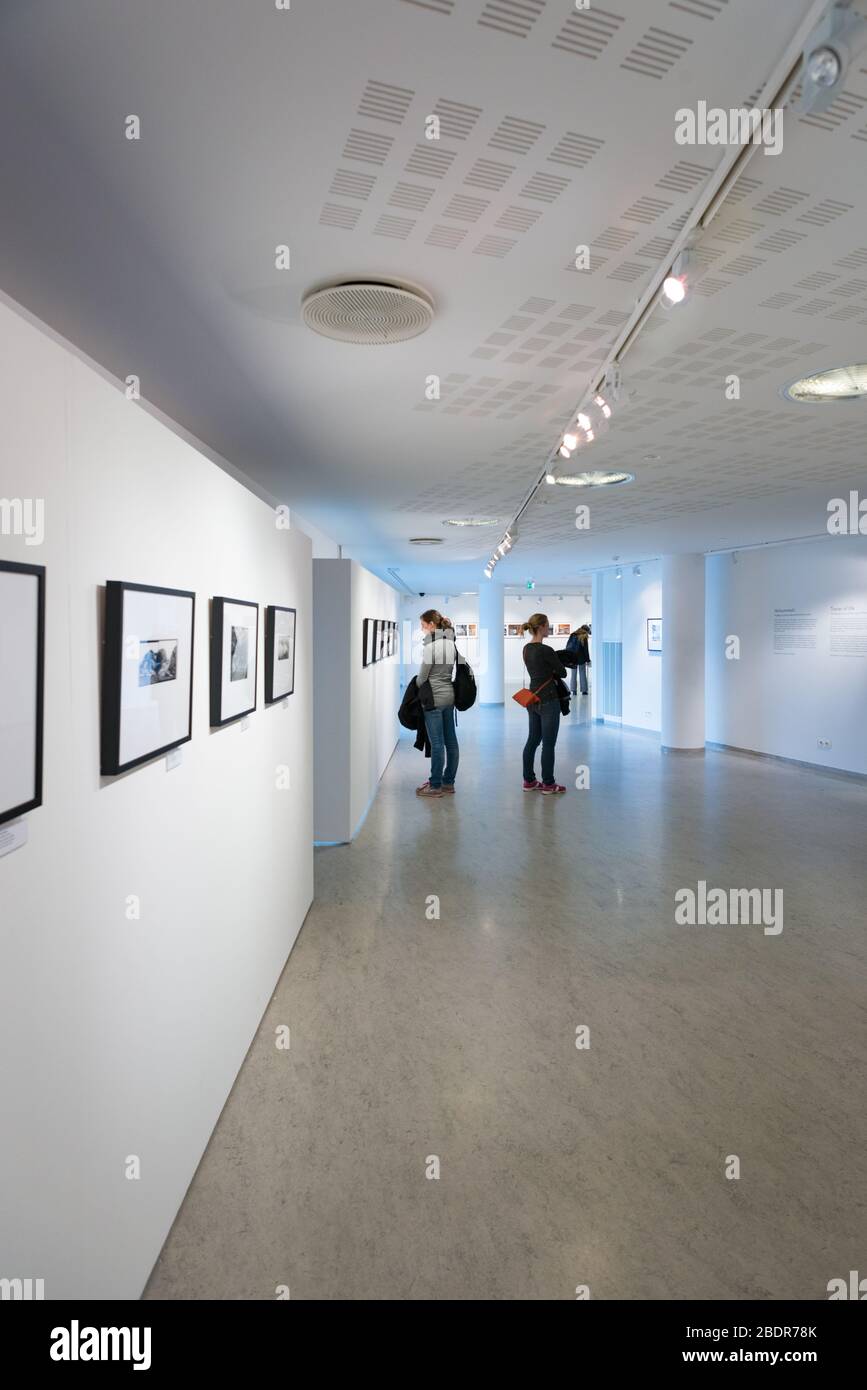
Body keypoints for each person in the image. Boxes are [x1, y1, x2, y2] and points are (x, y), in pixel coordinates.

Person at [415, 609, 465, 798]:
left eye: (423, 625)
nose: (422, 629)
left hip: (434, 700)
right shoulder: (450, 644)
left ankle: (435, 785)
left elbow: (422, 678)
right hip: (449, 698)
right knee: (451, 742)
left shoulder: (431, 648)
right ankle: (448, 783)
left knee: (437, 744)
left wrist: (420, 685)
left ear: (432, 625)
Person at [521, 613, 567, 794]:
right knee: (548, 744)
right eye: (547, 625)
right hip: (548, 699)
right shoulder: (546, 650)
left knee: (532, 740)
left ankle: (529, 781)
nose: (549, 628)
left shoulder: (526, 649)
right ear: (540, 627)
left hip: (533, 698)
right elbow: (562, 672)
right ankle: (548, 784)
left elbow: (537, 670)